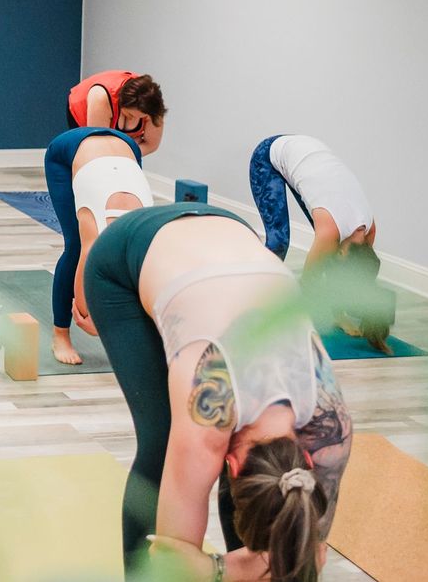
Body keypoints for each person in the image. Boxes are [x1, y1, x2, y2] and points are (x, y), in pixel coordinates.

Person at [82, 202, 352, 581]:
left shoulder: (330, 431)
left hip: (230, 236)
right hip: (130, 250)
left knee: (265, 508)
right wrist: (228, 569)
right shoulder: (207, 409)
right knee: (162, 446)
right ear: (230, 464)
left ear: (308, 462)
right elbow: (170, 561)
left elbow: (311, 549)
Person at [248, 134, 391, 354]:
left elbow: (358, 279)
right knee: (279, 242)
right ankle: (248, 300)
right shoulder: (330, 232)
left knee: (330, 255)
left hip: (311, 151)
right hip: (271, 154)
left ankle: (337, 314)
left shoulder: (368, 231)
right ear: (343, 256)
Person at [43, 126, 154, 365]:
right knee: (74, 246)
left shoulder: (149, 242)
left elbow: (149, 294)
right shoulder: (95, 233)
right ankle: (60, 336)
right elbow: (82, 311)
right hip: (69, 149)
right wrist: (98, 325)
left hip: (126, 147)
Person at [65, 71, 166, 155]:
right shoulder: (101, 98)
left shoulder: (153, 107)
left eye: (141, 117)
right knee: (87, 154)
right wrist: (129, 145)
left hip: (115, 132)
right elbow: (98, 145)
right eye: (129, 115)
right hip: (80, 106)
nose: (132, 119)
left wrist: (127, 153)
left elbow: (151, 144)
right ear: (121, 103)